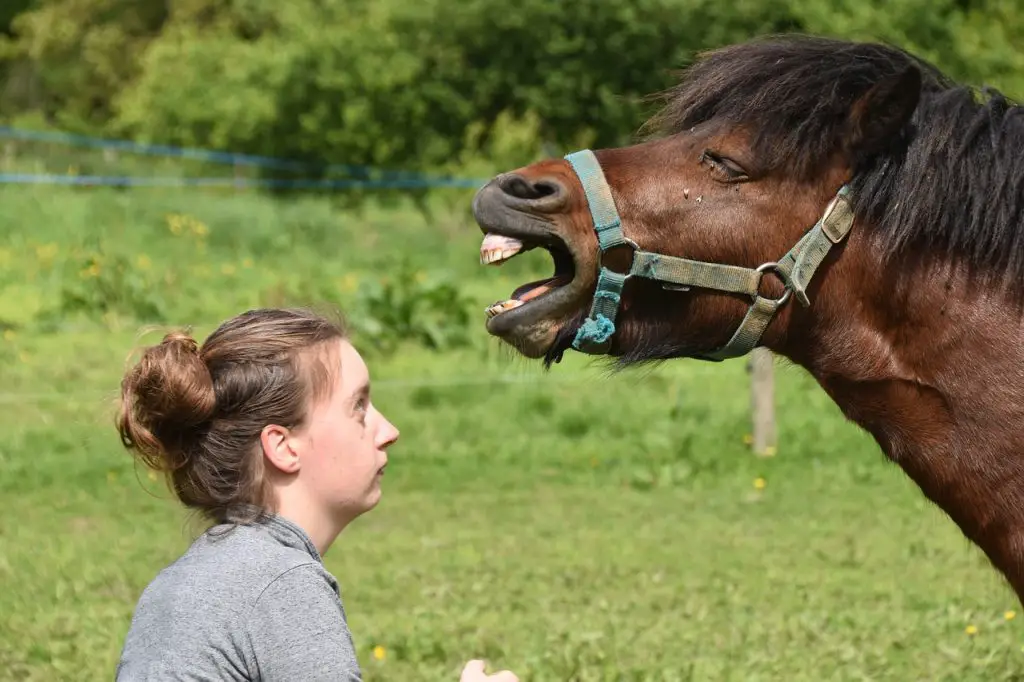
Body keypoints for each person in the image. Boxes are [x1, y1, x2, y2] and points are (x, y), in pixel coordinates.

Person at [114, 307, 518, 681]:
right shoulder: (281, 584)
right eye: (358, 406)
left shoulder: (179, 582)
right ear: (284, 447)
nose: (389, 431)